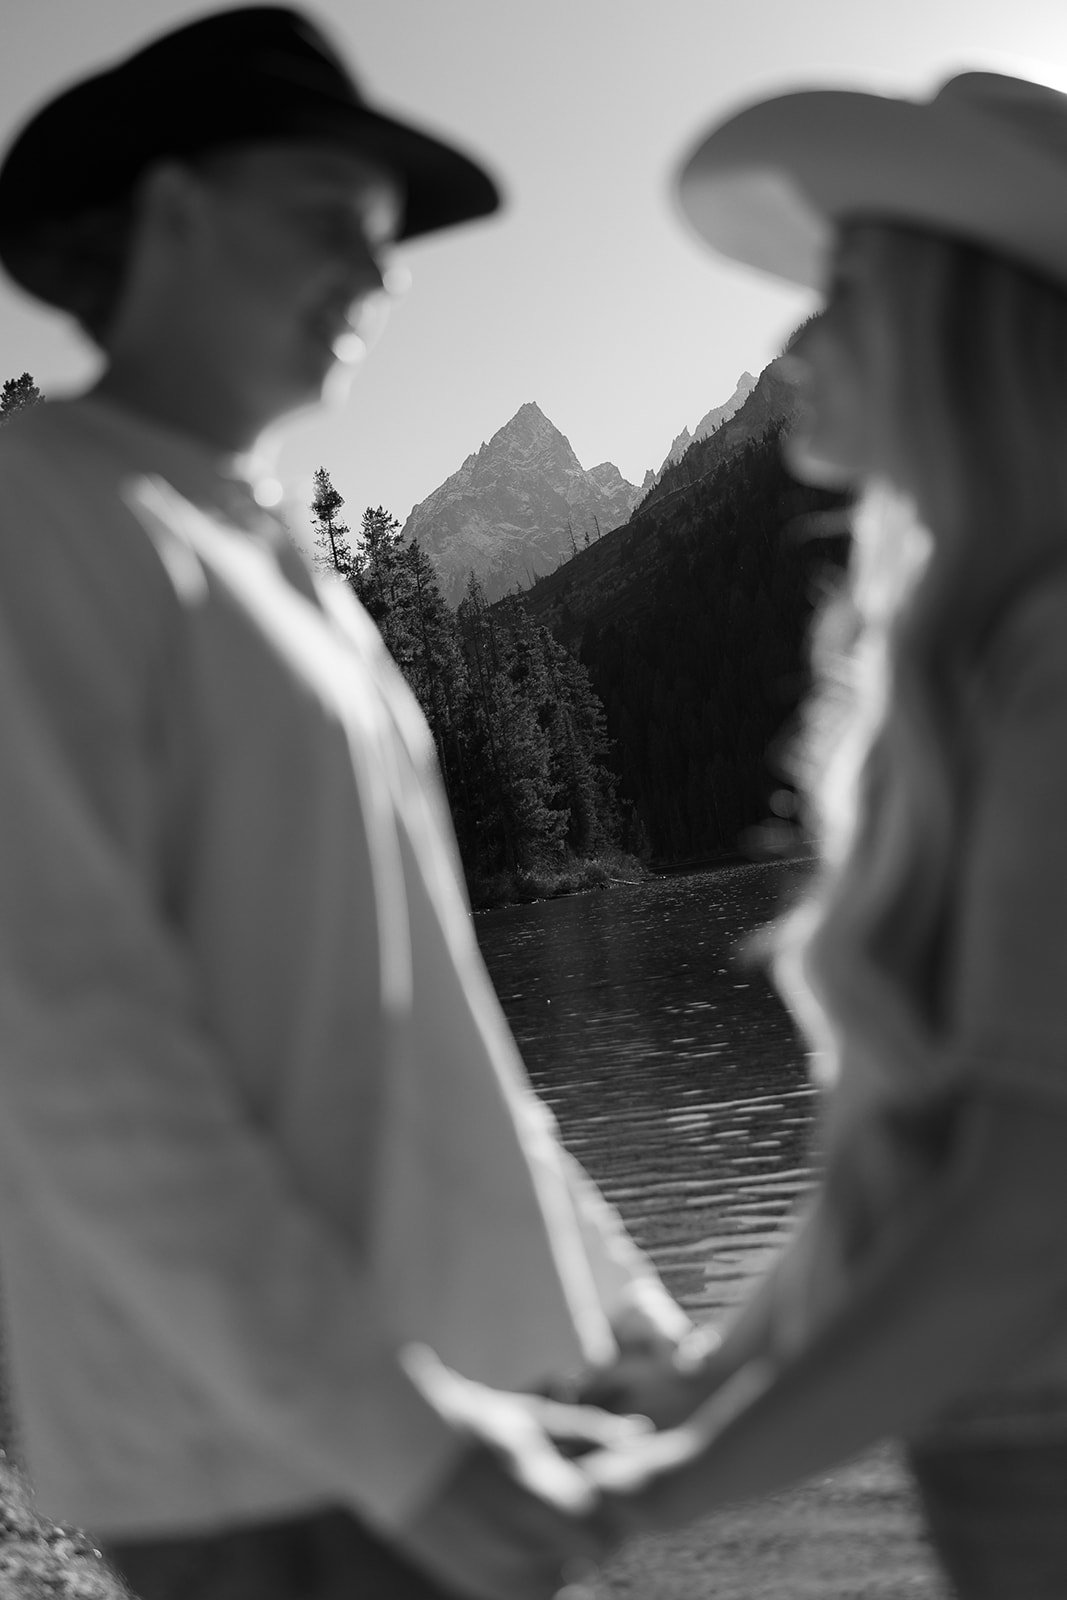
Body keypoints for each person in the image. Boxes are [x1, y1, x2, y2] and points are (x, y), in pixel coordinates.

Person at [0, 10, 692, 1600]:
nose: (378, 282)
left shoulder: (276, 557)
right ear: (172, 212)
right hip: (271, 1456)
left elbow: (432, 1023)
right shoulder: (45, 525)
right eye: (331, 222)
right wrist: (407, 1446)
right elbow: (73, 1053)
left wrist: (628, 1320)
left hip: (424, 1411)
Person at [581, 66, 1067, 1600]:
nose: (790, 340)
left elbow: (1022, 1211)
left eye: (844, 291)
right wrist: (705, 1383)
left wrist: (661, 1491)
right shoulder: (977, 655)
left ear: (962, 321)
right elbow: (902, 1170)